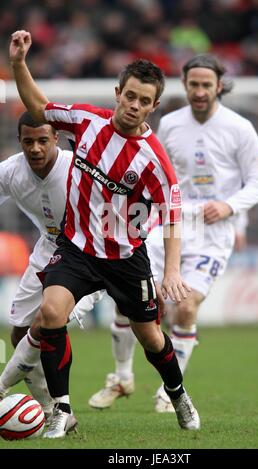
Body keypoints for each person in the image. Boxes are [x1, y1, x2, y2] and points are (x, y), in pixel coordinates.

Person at [9, 30, 200, 438]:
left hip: (125, 258)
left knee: (149, 336)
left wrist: (172, 272)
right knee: (50, 313)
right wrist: (19, 64)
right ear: (118, 92)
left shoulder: (154, 161)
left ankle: (178, 392)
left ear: (154, 106)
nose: (134, 106)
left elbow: (173, 214)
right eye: (129, 96)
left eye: (144, 101)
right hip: (75, 248)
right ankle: (60, 408)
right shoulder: (86, 120)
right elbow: (40, 106)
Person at [88, 53, 258, 413]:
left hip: (214, 230)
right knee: (129, 299)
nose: (199, 91)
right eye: (193, 84)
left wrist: (233, 210)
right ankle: (122, 376)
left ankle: (169, 390)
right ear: (184, 85)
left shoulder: (240, 128)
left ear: (219, 86)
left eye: (206, 85)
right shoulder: (169, 124)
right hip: (167, 225)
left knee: (185, 308)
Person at [0, 112, 101, 425]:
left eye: (43, 140)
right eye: (28, 141)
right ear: (20, 141)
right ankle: (50, 410)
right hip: (48, 250)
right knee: (20, 334)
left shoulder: (77, 168)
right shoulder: (10, 171)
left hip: (88, 256)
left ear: (55, 138)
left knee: (45, 322)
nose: (36, 148)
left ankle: (5, 389)